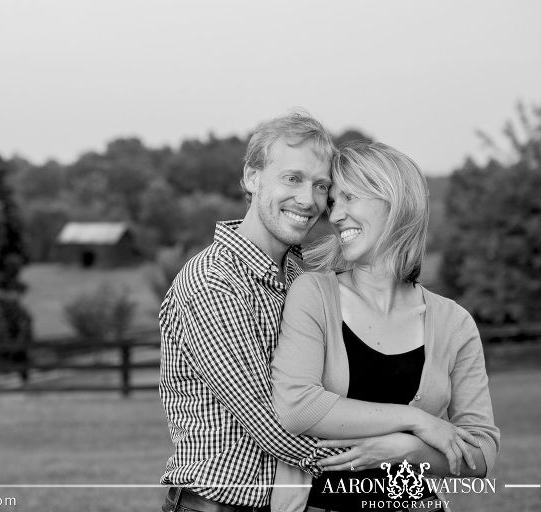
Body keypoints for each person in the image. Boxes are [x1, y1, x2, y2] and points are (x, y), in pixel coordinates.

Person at [270, 141, 500, 512]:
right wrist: (416, 420)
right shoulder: (314, 293)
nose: (336, 215)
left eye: (350, 198)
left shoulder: (454, 323)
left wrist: (407, 451)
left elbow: (482, 452)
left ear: (395, 203)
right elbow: (297, 408)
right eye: (333, 203)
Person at [158, 109, 340, 512]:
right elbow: (273, 424)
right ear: (253, 177)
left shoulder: (303, 276)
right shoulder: (212, 282)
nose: (308, 200)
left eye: (321, 185)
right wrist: (395, 458)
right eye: (292, 178)